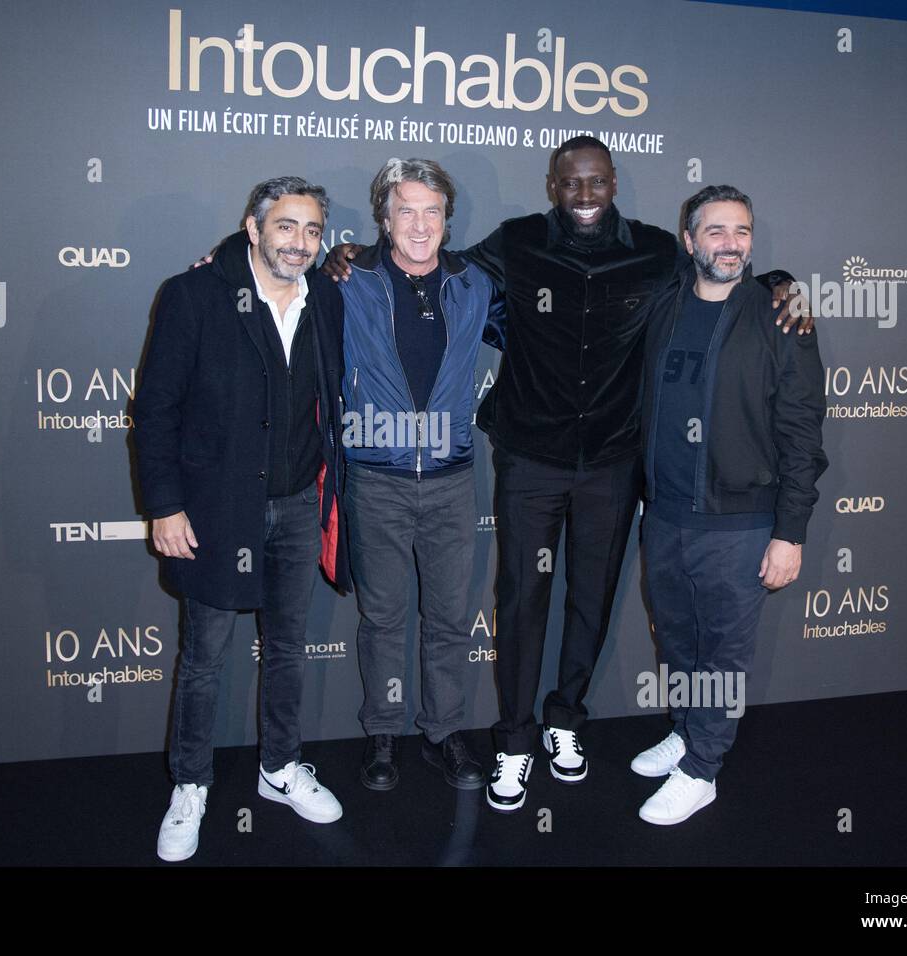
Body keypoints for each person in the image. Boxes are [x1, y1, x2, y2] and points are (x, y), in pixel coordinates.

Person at [326, 137, 809, 813]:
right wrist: (349, 256)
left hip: (613, 461)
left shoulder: (653, 250)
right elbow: (430, 265)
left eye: (597, 182)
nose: (585, 196)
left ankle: (565, 721)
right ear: (553, 185)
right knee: (521, 601)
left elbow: (720, 276)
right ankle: (516, 739)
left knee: (591, 602)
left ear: (613, 183)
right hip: (529, 458)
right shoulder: (516, 242)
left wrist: (779, 282)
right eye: (572, 183)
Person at [132, 176, 351, 862]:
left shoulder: (330, 301)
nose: (300, 242)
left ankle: (280, 766)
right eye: (285, 226)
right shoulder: (194, 294)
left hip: (297, 508)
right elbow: (156, 409)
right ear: (252, 228)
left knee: (287, 648)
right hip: (215, 512)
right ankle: (190, 784)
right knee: (204, 659)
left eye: (313, 230)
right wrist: (164, 504)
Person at [631, 184, 826, 824]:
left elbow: (802, 432)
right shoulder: (665, 304)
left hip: (740, 523)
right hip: (663, 516)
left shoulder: (781, 314)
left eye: (740, 231)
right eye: (715, 231)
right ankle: (687, 731)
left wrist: (790, 531)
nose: (730, 244)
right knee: (680, 644)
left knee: (723, 654)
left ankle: (703, 768)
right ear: (689, 241)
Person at [339, 158, 504, 792]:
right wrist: (218, 257)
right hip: (376, 478)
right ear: (384, 216)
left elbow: (562, 309)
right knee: (380, 617)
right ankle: (383, 731)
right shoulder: (350, 280)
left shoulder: (474, 286)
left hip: (451, 479)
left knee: (447, 618)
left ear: (446, 220)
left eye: (431, 211)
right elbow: (268, 255)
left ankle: (444, 731)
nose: (418, 223)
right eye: (405, 209)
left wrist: (771, 280)